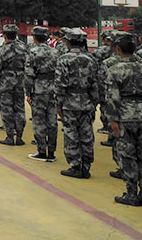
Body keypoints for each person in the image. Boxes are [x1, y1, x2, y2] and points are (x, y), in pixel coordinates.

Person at [104, 32, 142, 207]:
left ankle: (132, 194)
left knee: (128, 157)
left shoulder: (114, 70)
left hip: (125, 117)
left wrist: (113, 121)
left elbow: (113, 98)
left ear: (118, 50)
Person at [56, 28, 100, 179]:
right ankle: (86, 166)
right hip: (86, 102)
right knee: (87, 135)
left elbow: (60, 84)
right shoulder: (90, 59)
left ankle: (75, 165)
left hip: (69, 103)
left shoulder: (64, 59)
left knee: (71, 134)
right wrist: (94, 102)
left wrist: (58, 103)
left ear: (68, 42)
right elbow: (95, 83)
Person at [25, 26, 58, 161]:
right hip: (53, 88)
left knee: (39, 121)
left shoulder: (33, 52)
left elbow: (29, 74)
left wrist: (28, 92)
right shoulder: (55, 52)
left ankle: (41, 151)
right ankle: (51, 151)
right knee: (52, 120)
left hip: (38, 89)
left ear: (34, 37)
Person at [0, 24, 28, 146]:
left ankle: (9, 136)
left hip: (6, 83)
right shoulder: (24, 48)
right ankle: (19, 136)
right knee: (19, 109)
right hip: (20, 82)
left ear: (4, 36)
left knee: (7, 109)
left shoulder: (2, 50)